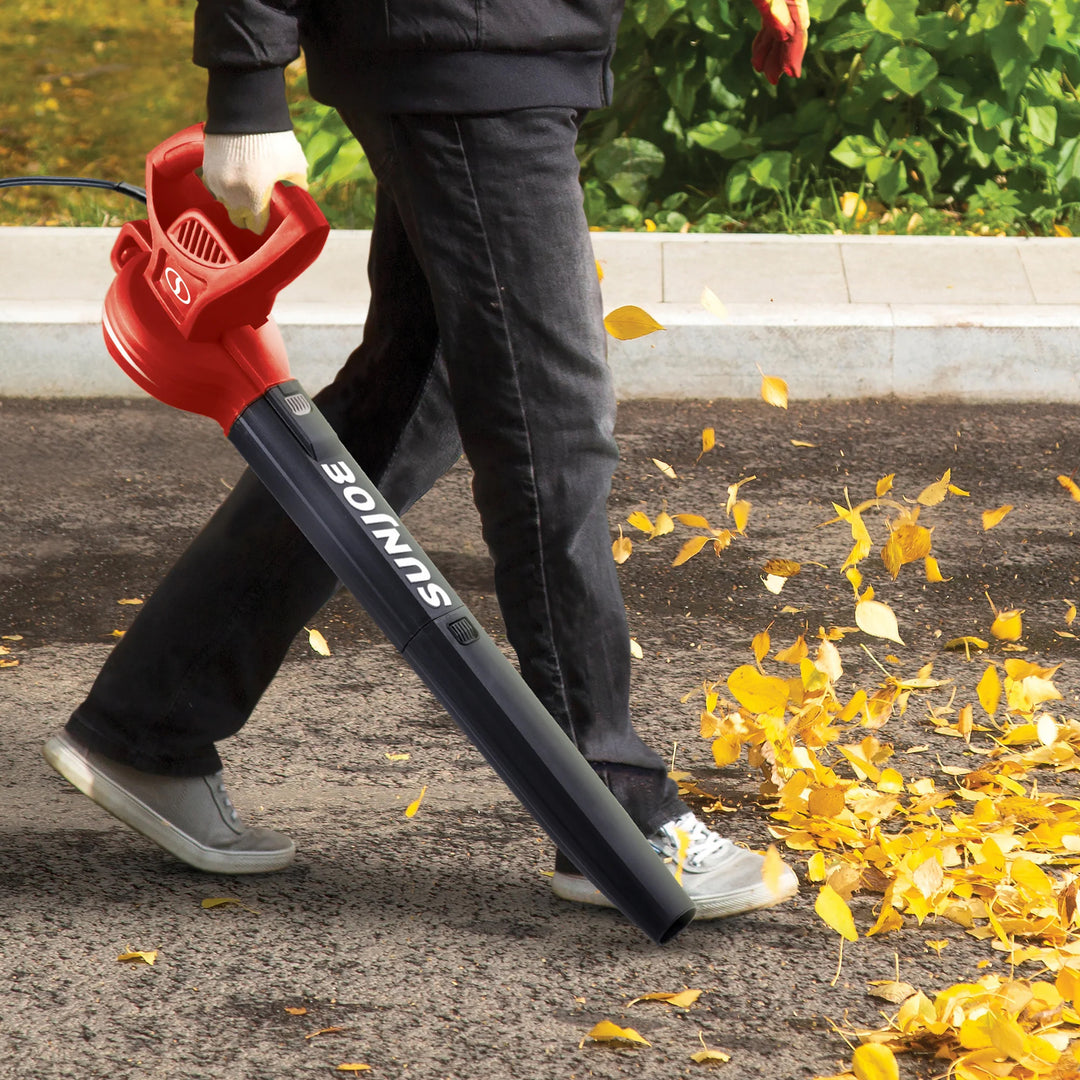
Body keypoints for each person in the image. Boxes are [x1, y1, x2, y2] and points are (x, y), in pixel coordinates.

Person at [44, 0, 808, 920]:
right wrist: (246, 82)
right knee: (548, 419)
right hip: (461, 40)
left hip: (501, 42)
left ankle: (151, 720)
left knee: (415, 390)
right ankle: (611, 811)